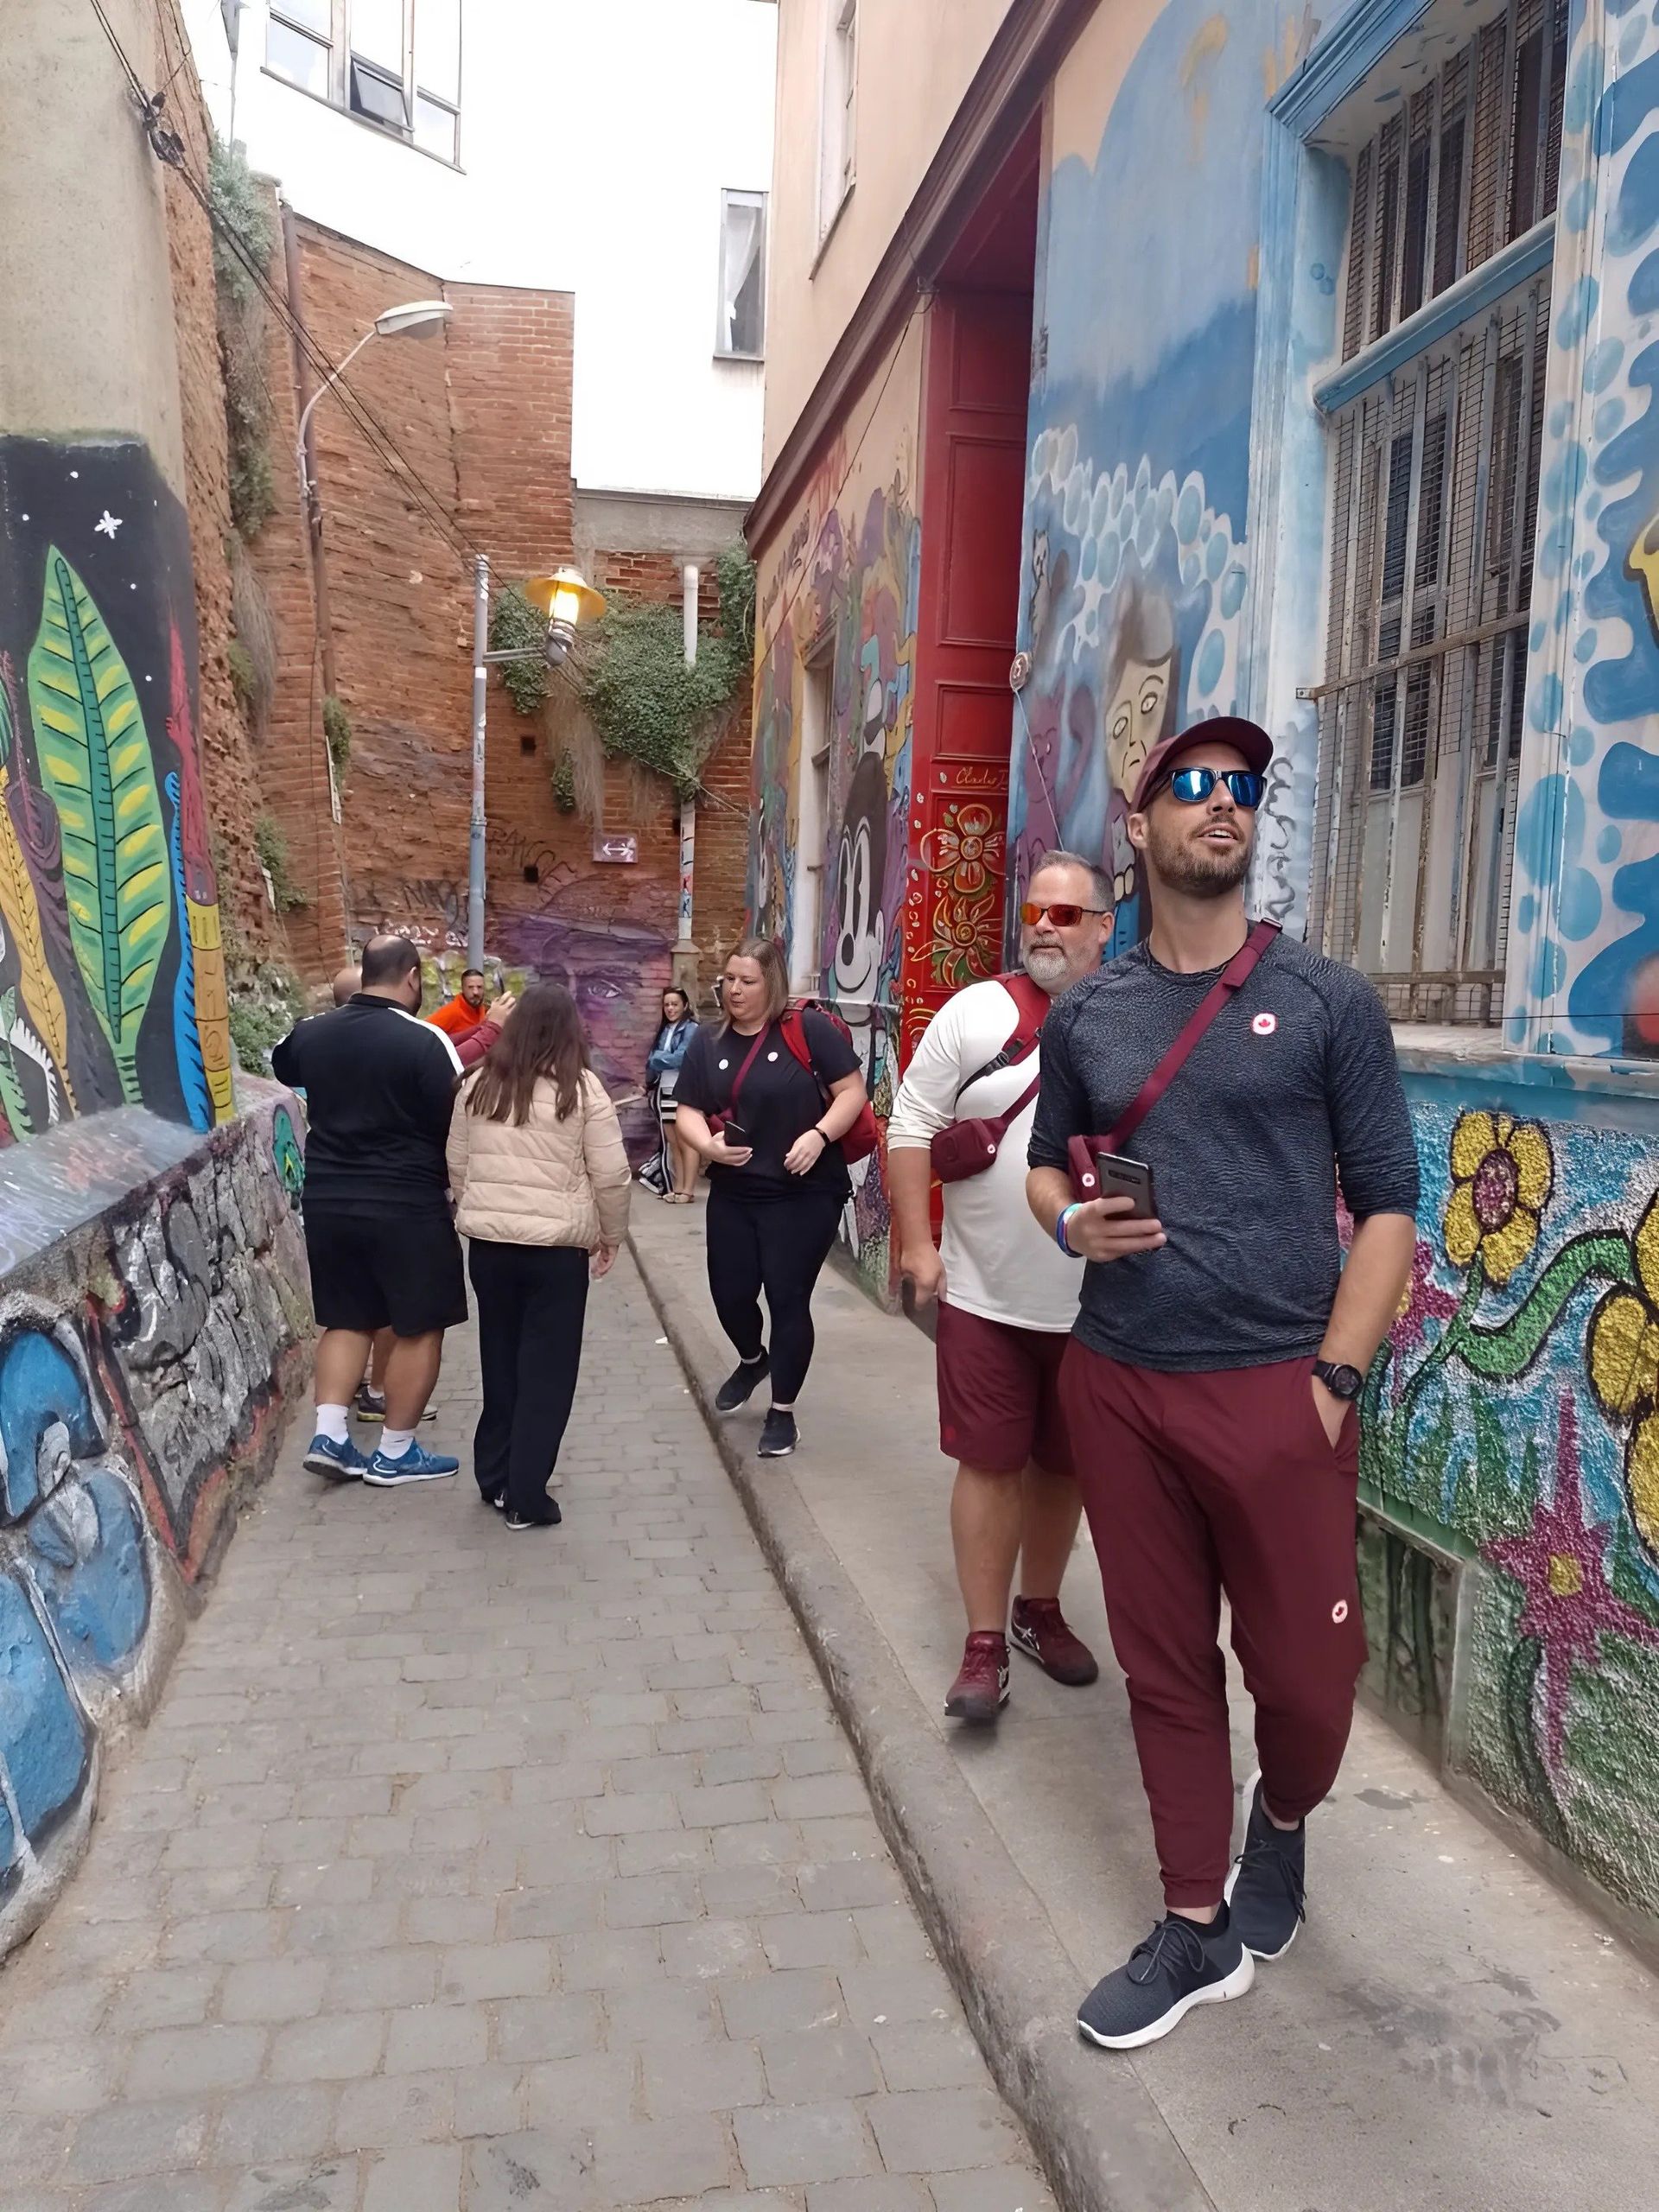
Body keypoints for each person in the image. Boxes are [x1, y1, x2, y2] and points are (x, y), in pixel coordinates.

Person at [1024, 717, 1419, 2050]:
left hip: (1276, 1391)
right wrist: (1070, 1226)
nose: (1219, 804)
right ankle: (1197, 1924)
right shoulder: (1092, 1013)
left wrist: (1336, 1381)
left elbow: (1388, 1211)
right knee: (1164, 1666)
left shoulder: (1327, 1004)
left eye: (1241, 787)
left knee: (1309, 1684)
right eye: (1190, 786)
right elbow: (1042, 1164)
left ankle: (1284, 1817)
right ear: (1139, 827)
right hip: (1123, 1379)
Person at [888, 852, 1110, 1726]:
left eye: (1067, 914)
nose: (1046, 927)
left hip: (1097, 1306)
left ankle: (1039, 1608)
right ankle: (983, 1642)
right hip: (982, 1294)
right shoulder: (977, 1012)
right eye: (1036, 911)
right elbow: (909, 1124)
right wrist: (917, 1244)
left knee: (1063, 1466)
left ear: (1102, 927)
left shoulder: (1132, 1017)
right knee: (988, 1463)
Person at [271, 933, 469, 1489]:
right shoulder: (427, 1041)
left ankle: (330, 1436)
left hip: (331, 1199)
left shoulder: (311, 1033)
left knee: (347, 1317)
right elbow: (455, 1119)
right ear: (411, 977)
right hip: (407, 1201)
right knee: (421, 1324)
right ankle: (395, 1452)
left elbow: (283, 1067)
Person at [672, 938, 868, 1459]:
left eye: (747, 981)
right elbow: (687, 1108)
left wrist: (820, 1135)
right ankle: (753, 1357)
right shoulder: (707, 1043)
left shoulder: (808, 1031)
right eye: (729, 980)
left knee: (787, 1299)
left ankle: (782, 1412)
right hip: (736, 1192)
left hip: (803, 1194)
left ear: (772, 984)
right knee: (730, 1294)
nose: (734, 990)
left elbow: (853, 1092)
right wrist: (705, 1144)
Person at [447, 982, 632, 1529]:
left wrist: (476, 1207)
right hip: (554, 1254)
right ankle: (527, 1495)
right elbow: (612, 1174)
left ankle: (494, 1476)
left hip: (490, 1249)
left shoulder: (477, 1085)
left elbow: (457, 1163)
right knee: (547, 1373)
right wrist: (610, 1234)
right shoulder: (584, 1090)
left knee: (499, 1360)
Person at [644, 985, 699, 1203]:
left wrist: (656, 1057)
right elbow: (664, 1060)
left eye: (674, 1004)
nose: (670, 1008)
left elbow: (680, 1058)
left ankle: (688, 1190)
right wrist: (661, 1058)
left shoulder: (691, 1029)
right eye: (666, 1005)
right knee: (673, 1141)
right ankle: (677, 1188)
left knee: (687, 1141)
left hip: (684, 1090)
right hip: (665, 1089)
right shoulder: (665, 1030)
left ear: (685, 1005)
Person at [428, 966, 492, 1043]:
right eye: (470, 987)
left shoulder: (483, 1011)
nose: (476, 992)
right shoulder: (452, 1011)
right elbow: (423, 1031)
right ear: (463, 989)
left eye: (479, 987)